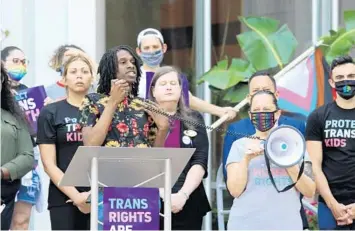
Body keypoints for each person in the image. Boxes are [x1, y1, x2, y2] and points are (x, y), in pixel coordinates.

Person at [78, 45, 170, 229]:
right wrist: (112, 102)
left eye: (132, 62)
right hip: (108, 190)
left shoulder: (145, 105)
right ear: (111, 69)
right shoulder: (93, 101)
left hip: (144, 190)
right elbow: (91, 144)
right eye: (123, 62)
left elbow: (155, 155)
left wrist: (163, 128)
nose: (131, 66)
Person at [222, 70, 311, 229]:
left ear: (277, 113)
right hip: (245, 224)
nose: (262, 114)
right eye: (256, 111)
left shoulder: (293, 141)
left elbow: (310, 191)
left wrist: (287, 162)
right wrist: (246, 159)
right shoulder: (239, 144)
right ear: (250, 115)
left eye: (267, 109)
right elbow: (234, 190)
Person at [147, 66, 211, 230]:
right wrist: (164, 195)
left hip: (188, 200)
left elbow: (200, 160)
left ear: (181, 89)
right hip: (149, 202)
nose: (169, 87)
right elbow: (143, 162)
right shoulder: (141, 120)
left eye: (173, 83)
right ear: (153, 91)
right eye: (163, 84)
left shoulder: (194, 118)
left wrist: (182, 195)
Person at [36, 55, 94, 230]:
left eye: (85, 72)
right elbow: (48, 164)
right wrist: (76, 196)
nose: (79, 76)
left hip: (98, 194)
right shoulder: (50, 112)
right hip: (62, 196)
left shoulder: (102, 111)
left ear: (92, 78)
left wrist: (93, 195)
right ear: (64, 79)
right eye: (73, 72)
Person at [136, 28, 237, 119]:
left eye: (155, 47)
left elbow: (189, 99)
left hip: (171, 133)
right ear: (139, 51)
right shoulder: (133, 77)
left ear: (164, 48)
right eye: (147, 48)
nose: (151, 51)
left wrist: (220, 111)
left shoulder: (174, 76)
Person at [305, 55, 355, 230]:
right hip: (329, 204)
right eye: (340, 78)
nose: (346, 81)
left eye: (351, 76)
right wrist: (333, 204)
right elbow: (315, 166)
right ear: (332, 83)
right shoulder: (317, 117)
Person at [1, 45, 43, 230]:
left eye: (24, 62)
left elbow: (30, 149)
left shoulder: (30, 96)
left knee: (20, 221)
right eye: (15, 61)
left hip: (19, 172)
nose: (20, 65)